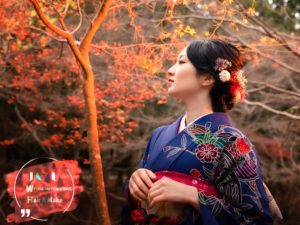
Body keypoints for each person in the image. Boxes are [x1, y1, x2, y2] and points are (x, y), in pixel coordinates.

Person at [120, 39, 280, 225]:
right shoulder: (159, 135)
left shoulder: (232, 141)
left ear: (208, 78)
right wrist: (134, 186)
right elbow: (134, 206)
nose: (170, 70)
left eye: (181, 62)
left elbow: (255, 219)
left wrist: (196, 196)